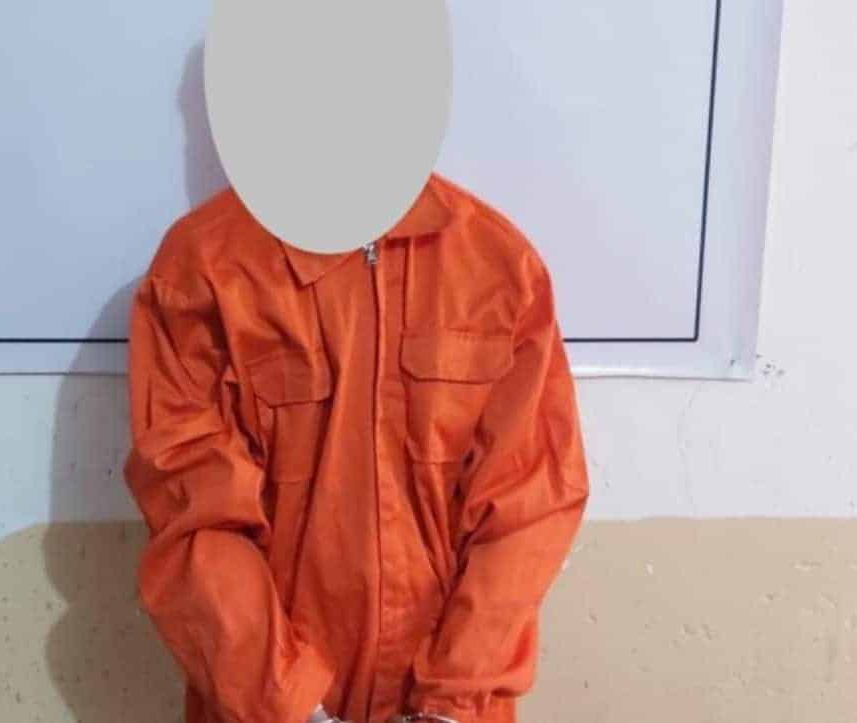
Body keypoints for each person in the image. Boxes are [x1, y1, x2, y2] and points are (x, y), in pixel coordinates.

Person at [122, 170, 591, 723]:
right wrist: (287, 702)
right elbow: (191, 516)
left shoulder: (498, 263)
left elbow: (530, 504)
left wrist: (451, 701)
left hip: (452, 706)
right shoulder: (204, 266)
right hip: (264, 707)